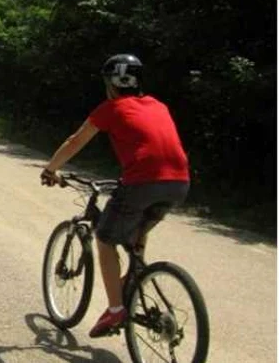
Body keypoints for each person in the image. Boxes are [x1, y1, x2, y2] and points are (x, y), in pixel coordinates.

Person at [40, 54, 190, 338]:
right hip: (179, 183)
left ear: (110, 83)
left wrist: (51, 169)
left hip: (142, 183)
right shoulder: (159, 105)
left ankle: (116, 309)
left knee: (105, 238)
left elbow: (76, 141)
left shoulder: (111, 108)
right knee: (136, 233)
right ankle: (133, 280)